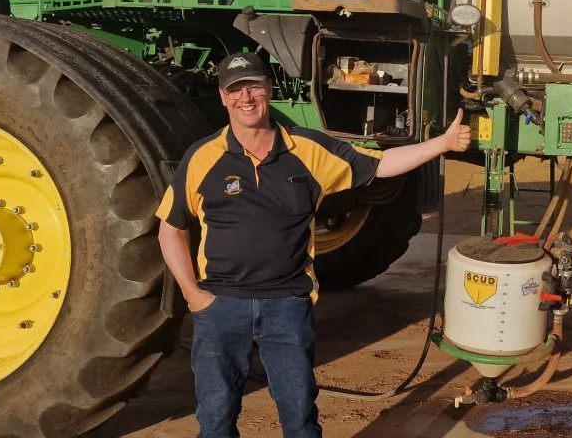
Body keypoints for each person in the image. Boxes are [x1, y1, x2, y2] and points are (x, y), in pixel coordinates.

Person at [156, 51, 471, 438]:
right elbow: (170, 228)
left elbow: (380, 164)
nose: (246, 97)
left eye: (253, 86)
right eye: (235, 90)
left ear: (268, 89)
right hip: (220, 308)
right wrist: (192, 294)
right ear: (223, 97)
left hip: (286, 306)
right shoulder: (202, 157)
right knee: (216, 419)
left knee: (300, 417)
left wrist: (442, 144)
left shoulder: (307, 149)